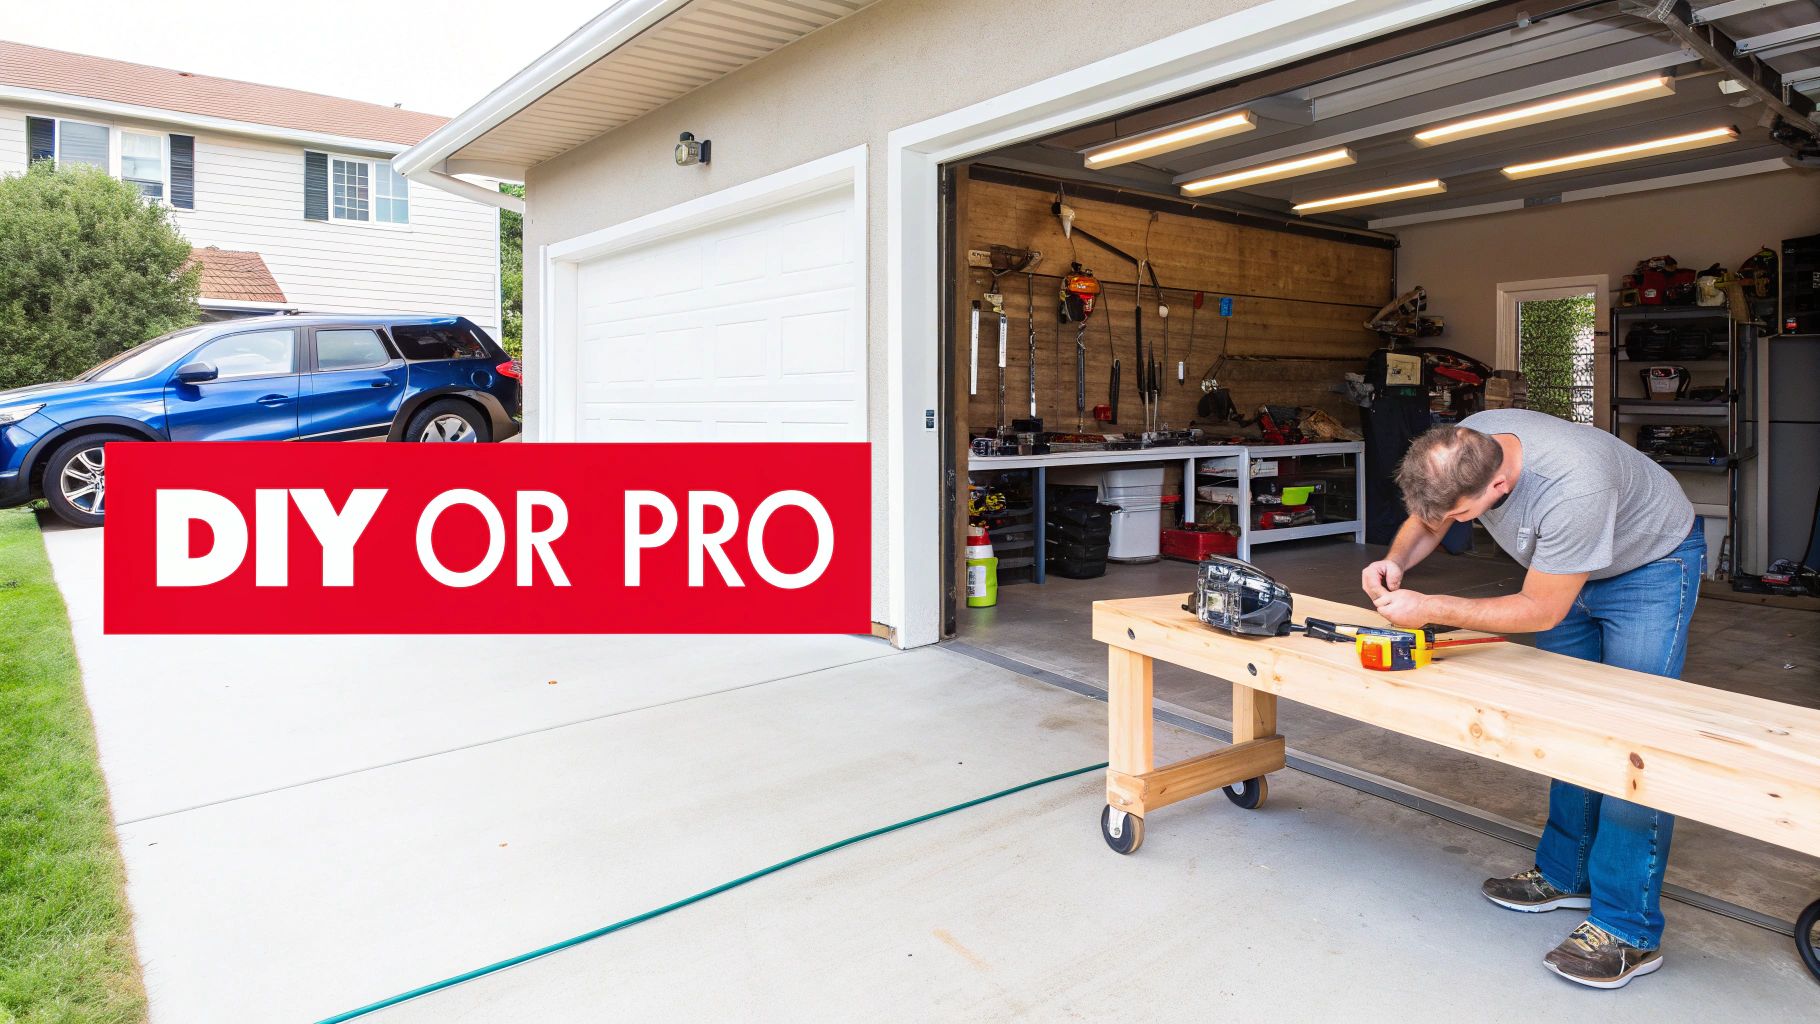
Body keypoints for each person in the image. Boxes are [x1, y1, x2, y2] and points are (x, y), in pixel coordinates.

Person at [1362, 408, 1704, 990]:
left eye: (1460, 515)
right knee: (1564, 723)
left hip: (1648, 567)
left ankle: (1627, 928)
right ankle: (1565, 873)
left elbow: (1542, 608)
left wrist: (1431, 606)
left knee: (1632, 742)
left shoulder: (1575, 485)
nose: (1447, 523)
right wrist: (1394, 562)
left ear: (1498, 485)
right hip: (1563, 566)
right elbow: (1430, 517)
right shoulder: (1467, 444)